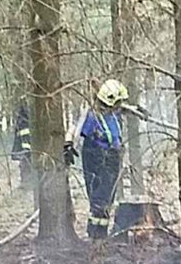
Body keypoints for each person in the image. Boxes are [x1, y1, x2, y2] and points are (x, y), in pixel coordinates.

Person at [62, 79, 145, 240]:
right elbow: (75, 127)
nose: (119, 106)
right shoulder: (92, 116)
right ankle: (95, 234)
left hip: (113, 156)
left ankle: (102, 234)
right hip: (96, 156)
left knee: (108, 198)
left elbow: (124, 108)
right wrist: (68, 144)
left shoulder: (114, 112)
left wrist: (137, 110)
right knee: (99, 198)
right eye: (117, 102)